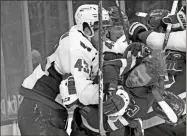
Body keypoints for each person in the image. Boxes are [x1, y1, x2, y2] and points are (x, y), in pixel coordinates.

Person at [17, 4, 113, 136]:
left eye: (107, 29)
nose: (105, 35)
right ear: (87, 29)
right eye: (101, 30)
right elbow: (82, 92)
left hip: (48, 109)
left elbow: (114, 48)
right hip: (39, 109)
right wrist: (110, 95)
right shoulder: (75, 48)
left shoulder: (85, 40)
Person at [128, 6, 186, 136]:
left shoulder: (176, 46)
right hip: (149, 119)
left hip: (175, 115)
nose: (155, 30)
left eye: (157, 27)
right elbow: (132, 28)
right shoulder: (145, 49)